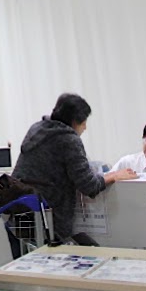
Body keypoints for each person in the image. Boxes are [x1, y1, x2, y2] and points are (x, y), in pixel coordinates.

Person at [12, 93, 135, 246]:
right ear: (75, 121)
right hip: (48, 221)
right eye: (84, 122)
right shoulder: (68, 139)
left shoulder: (37, 129)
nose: (85, 127)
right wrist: (113, 176)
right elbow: (89, 185)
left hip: (19, 215)